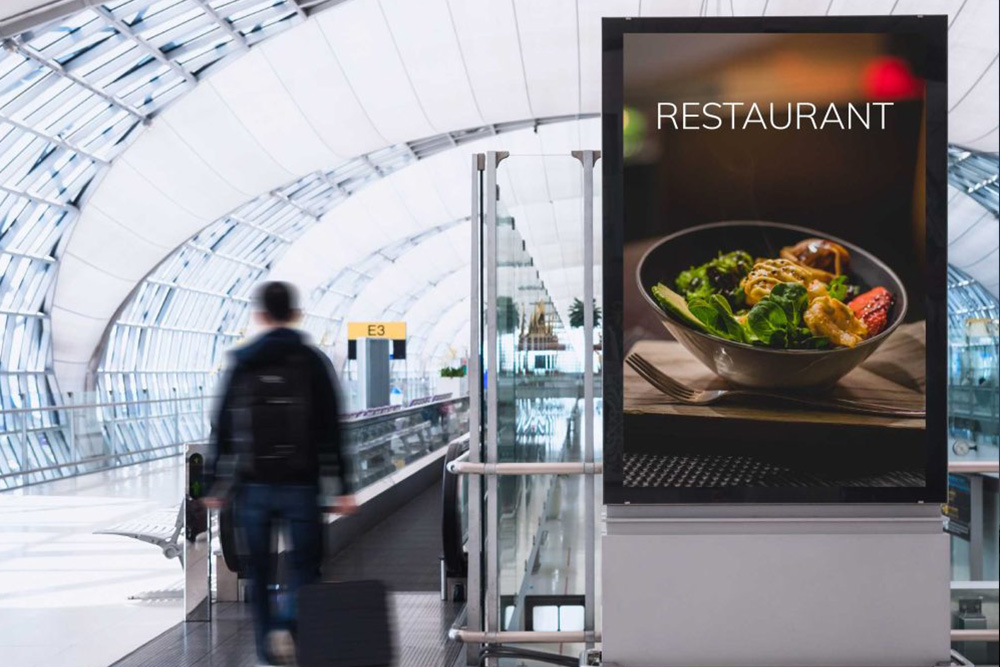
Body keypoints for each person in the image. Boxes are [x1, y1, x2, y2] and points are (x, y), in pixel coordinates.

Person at [205, 281, 356, 666]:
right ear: (295, 314)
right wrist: (341, 485)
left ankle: (268, 646)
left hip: (252, 487)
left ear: (260, 315)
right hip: (301, 486)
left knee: (258, 572)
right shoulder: (312, 361)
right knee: (305, 567)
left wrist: (214, 482)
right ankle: (290, 627)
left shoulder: (242, 361)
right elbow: (330, 428)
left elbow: (221, 426)